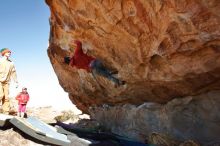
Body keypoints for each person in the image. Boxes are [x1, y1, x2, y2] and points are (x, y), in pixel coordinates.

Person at [0, 48, 19, 114]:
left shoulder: (11, 63)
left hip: (7, 82)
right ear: (3, 53)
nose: (9, 53)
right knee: (0, 95)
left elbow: (13, 72)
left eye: (10, 52)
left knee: (6, 97)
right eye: (8, 52)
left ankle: (6, 111)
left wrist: (16, 82)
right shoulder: (0, 61)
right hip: (0, 80)